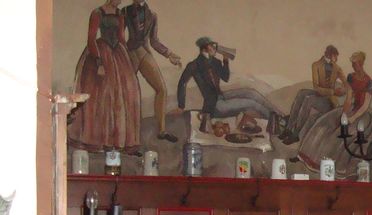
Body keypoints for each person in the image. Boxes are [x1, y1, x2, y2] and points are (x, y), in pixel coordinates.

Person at [68, 0, 141, 153]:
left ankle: (117, 141)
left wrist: (129, 57)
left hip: (118, 53)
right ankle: (101, 140)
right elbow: (91, 39)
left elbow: (121, 37)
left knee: (125, 92)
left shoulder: (120, 14)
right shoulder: (97, 13)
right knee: (103, 97)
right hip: (101, 53)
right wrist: (99, 62)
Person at [296, 51, 372, 176]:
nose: (353, 66)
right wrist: (344, 113)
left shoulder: (369, 82)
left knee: (343, 134)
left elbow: (365, 105)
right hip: (350, 108)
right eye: (352, 64)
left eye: (355, 64)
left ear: (361, 64)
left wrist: (352, 118)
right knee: (323, 123)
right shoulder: (351, 77)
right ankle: (311, 157)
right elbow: (349, 97)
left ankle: (338, 167)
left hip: (362, 114)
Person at [176, 37, 278, 134]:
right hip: (214, 105)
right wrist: (181, 106)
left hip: (221, 96)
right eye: (212, 46)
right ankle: (276, 122)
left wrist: (225, 61)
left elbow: (225, 77)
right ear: (204, 49)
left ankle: (279, 115)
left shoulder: (215, 61)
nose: (215, 49)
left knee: (252, 93)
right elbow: (182, 83)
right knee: (251, 103)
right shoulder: (194, 65)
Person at [122, 0, 182, 143]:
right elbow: (119, 36)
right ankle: (123, 132)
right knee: (126, 92)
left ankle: (161, 130)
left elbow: (154, 41)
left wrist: (169, 54)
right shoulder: (124, 11)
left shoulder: (152, 15)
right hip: (129, 53)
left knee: (162, 89)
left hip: (144, 52)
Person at [280, 45, 347, 145]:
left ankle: (296, 134)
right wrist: (333, 91)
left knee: (308, 99)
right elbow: (316, 88)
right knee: (301, 93)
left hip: (329, 101)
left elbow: (346, 84)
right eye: (335, 56)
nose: (336, 59)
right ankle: (289, 128)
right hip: (322, 93)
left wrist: (342, 91)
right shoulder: (316, 65)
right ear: (330, 55)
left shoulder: (337, 68)